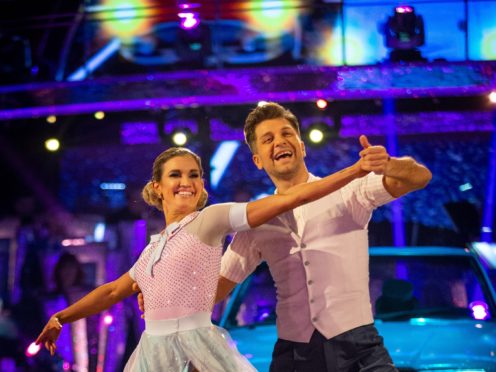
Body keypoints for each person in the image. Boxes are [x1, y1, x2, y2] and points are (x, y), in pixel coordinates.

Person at [36, 145, 375, 371]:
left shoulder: (208, 220)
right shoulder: (153, 247)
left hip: (197, 348)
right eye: (176, 175)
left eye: (194, 174)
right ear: (157, 186)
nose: (187, 182)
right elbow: (111, 292)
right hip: (152, 352)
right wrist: (60, 318)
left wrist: (353, 172)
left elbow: (286, 200)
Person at [214, 102, 431, 371]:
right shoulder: (256, 223)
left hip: (358, 347)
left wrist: (389, 165)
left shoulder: (349, 191)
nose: (280, 142)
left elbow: (419, 177)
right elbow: (217, 289)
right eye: (268, 139)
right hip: (294, 353)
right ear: (258, 160)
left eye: (287, 134)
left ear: (302, 146)